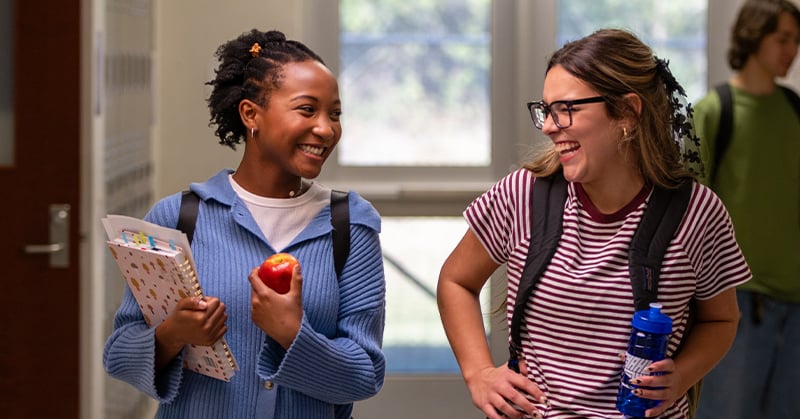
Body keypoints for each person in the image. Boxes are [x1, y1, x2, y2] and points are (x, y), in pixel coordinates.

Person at [437, 28, 751, 419]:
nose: (549, 126)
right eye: (545, 110)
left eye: (566, 109)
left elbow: (721, 318)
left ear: (627, 112)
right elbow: (456, 280)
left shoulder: (697, 214)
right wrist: (479, 373)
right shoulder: (522, 195)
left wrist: (682, 375)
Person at [103, 29, 386, 418]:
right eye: (307, 110)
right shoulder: (180, 218)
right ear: (251, 114)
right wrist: (173, 335)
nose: (326, 129)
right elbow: (119, 354)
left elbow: (365, 375)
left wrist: (292, 333)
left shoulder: (351, 226)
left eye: (334, 114)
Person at [692, 1, 800, 418]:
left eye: (796, 41)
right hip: (734, 303)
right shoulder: (715, 110)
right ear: (754, 36)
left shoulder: (793, 110)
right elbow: (690, 211)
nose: (791, 51)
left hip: (795, 303)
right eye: (783, 39)